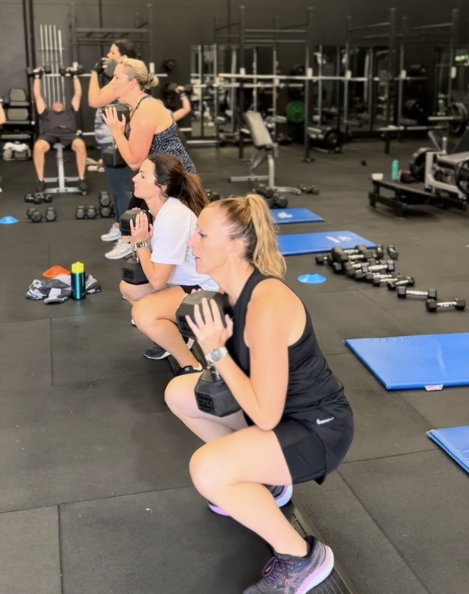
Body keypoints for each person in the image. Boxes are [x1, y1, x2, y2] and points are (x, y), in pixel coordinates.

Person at [164, 194, 355, 594]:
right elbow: (237, 384)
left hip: (317, 429)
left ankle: (300, 558)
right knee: (181, 392)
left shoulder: (266, 305)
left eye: (202, 234)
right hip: (278, 414)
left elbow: (265, 415)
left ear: (235, 246)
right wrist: (214, 352)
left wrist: (216, 351)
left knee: (207, 469)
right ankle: (265, 480)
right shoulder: (228, 295)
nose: (192, 241)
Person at [123, 153, 217, 375]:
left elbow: (157, 281)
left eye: (143, 175)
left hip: (206, 289)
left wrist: (141, 242)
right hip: (183, 281)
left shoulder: (172, 218)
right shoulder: (160, 212)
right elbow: (152, 263)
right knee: (129, 288)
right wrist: (139, 239)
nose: (134, 178)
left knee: (143, 313)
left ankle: (192, 366)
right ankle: (175, 337)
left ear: (162, 187)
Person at [101, 57, 196, 260]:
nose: (112, 82)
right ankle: (129, 240)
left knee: (169, 233)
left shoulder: (146, 109)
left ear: (132, 82)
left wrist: (116, 131)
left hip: (176, 178)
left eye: (117, 77)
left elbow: (135, 161)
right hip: (157, 174)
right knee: (136, 207)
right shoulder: (135, 107)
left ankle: (133, 243)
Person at [88, 39, 138, 247]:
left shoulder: (122, 78)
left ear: (124, 57)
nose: (108, 56)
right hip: (108, 138)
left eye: (112, 52)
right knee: (117, 188)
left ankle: (128, 238)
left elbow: (94, 101)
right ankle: (119, 225)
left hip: (115, 137)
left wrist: (94, 73)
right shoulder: (118, 77)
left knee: (122, 188)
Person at [32, 68, 88, 194]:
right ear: (51, 106)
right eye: (55, 103)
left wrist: (74, 76)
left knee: (80, 145)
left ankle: (81, 179)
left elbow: (78, 94)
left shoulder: (70, 112)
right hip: (49, 134)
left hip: (68, 133)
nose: (58, 103)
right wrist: (37, 76)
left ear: (64, 106)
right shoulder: (45, 112)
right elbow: (37, 96)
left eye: (60, 103)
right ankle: (40, 180)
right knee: (38, 146)